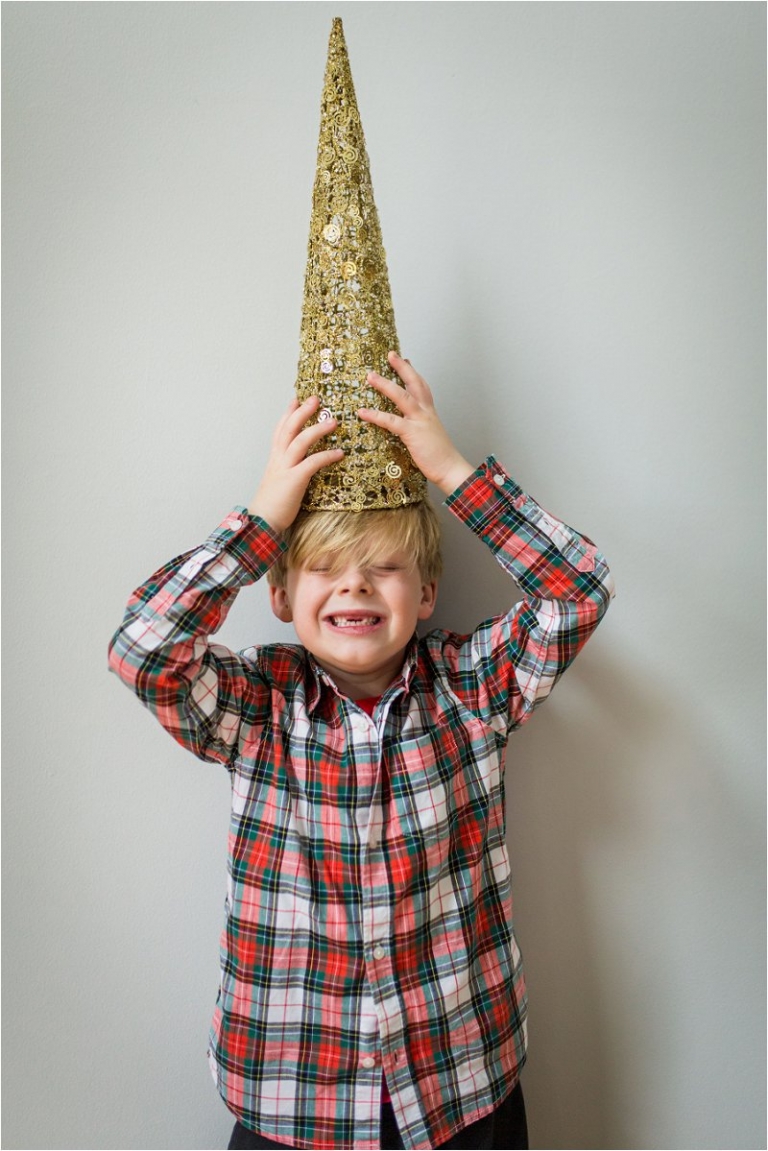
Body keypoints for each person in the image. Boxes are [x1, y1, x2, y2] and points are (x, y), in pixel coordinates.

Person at [108, 351, 614, 1151]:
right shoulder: (255, 705)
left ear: (427, 591)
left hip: (461, 1084)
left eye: (384, 568)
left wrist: (450, 469)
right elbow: (142, 646)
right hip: (294, 1096)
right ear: (279, 594)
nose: (354, 587)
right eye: (323, 568)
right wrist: (261, 522)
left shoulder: (473, 685)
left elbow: (578, 588)